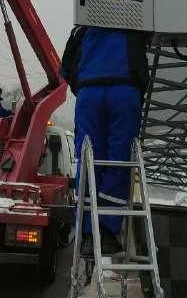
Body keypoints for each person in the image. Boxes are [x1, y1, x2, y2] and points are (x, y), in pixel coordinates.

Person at [61, 25, 149, 257]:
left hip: (90, 92)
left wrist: (83, 85)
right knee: (120, 160)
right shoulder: (136, 18)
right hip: (125, 90)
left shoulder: (82, 26)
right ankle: (107, 232)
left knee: (89, 161)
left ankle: (88, 234)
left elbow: (66, 67)